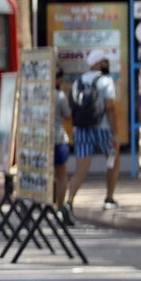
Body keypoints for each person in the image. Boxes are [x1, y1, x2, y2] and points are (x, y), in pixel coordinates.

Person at [64, 49, 120, 216]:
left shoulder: (77, 82)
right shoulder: (106, 81)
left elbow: (73, 109)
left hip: (81, 131)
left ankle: (69, 202)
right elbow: (110, 108)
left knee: (80, 170)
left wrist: (74, 128)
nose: (106, 64)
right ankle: (109, 199)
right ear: (97, 63)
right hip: (102, 130)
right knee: (112, 160)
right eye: (104, 61)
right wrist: (115, 133)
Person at [53, 73, 72, 212]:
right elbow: (67, 115)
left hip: (43, 142)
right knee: (61, 176)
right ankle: (59, 206)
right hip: (58, 139)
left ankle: (51, 203)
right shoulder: (59, 96)